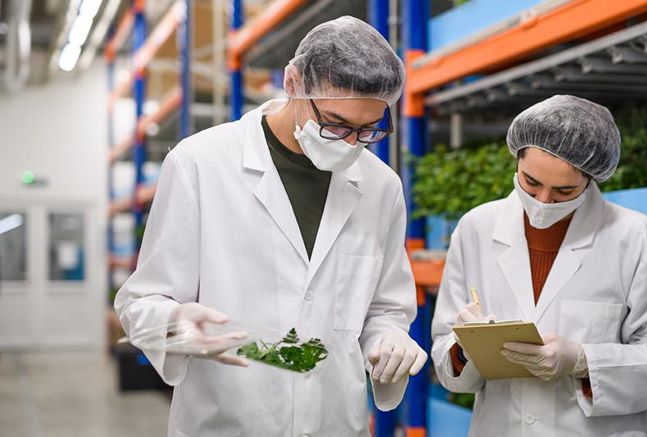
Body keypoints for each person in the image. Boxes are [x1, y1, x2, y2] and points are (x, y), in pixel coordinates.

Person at [115, 16, 427, 437]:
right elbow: (141, 301)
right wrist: (174, 321)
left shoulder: (381, 186)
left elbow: (385, 307)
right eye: (335, 124)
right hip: (226, 421)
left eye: (368, 129)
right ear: (293, 83)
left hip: (335, 421)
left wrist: (388, 340)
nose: (352, 144)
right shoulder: (201, 163)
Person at [431, 95, 647, 436]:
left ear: (592, 179)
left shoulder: (640, 240)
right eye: (531, 182)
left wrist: (583, 360)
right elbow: (445, 355)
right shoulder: (476, 228)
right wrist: (464, 349)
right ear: (516, 160)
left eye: (563, 190)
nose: (543, 201)